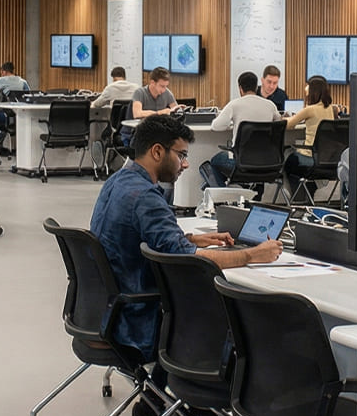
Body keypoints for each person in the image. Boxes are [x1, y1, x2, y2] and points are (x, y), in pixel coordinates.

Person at [90, 115, 282, 362]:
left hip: (108, 308)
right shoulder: (146, 197)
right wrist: (253, 255)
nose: (186, 164)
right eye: (181, 155)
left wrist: (191, 238)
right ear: (157, 152)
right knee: (242, 320)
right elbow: (193, 261)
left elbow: (140, 238)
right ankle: (194, 391)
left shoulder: (116, 181)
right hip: (137, 319)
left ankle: (154, 399)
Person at [201, 71, 280, 188]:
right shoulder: (270, 105)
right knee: (255, 164)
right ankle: (253, 193)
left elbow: (216, 126)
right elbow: (278, 123)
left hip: (240, 162)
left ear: (240, 88)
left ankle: (223, 196)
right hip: (267, 161)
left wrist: (230, 122)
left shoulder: (234, 105)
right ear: (256, 87)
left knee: (213, 162)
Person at [282, 75, 341, 189]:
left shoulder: (310, 110)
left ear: (313, 90)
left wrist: (281, 118)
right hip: (328, 158)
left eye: (307, 86)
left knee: (288, 158)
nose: (305, 89)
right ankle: (310, 189)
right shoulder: (332, 109)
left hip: (310, 157)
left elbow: (289, 125)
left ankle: (296, 196)